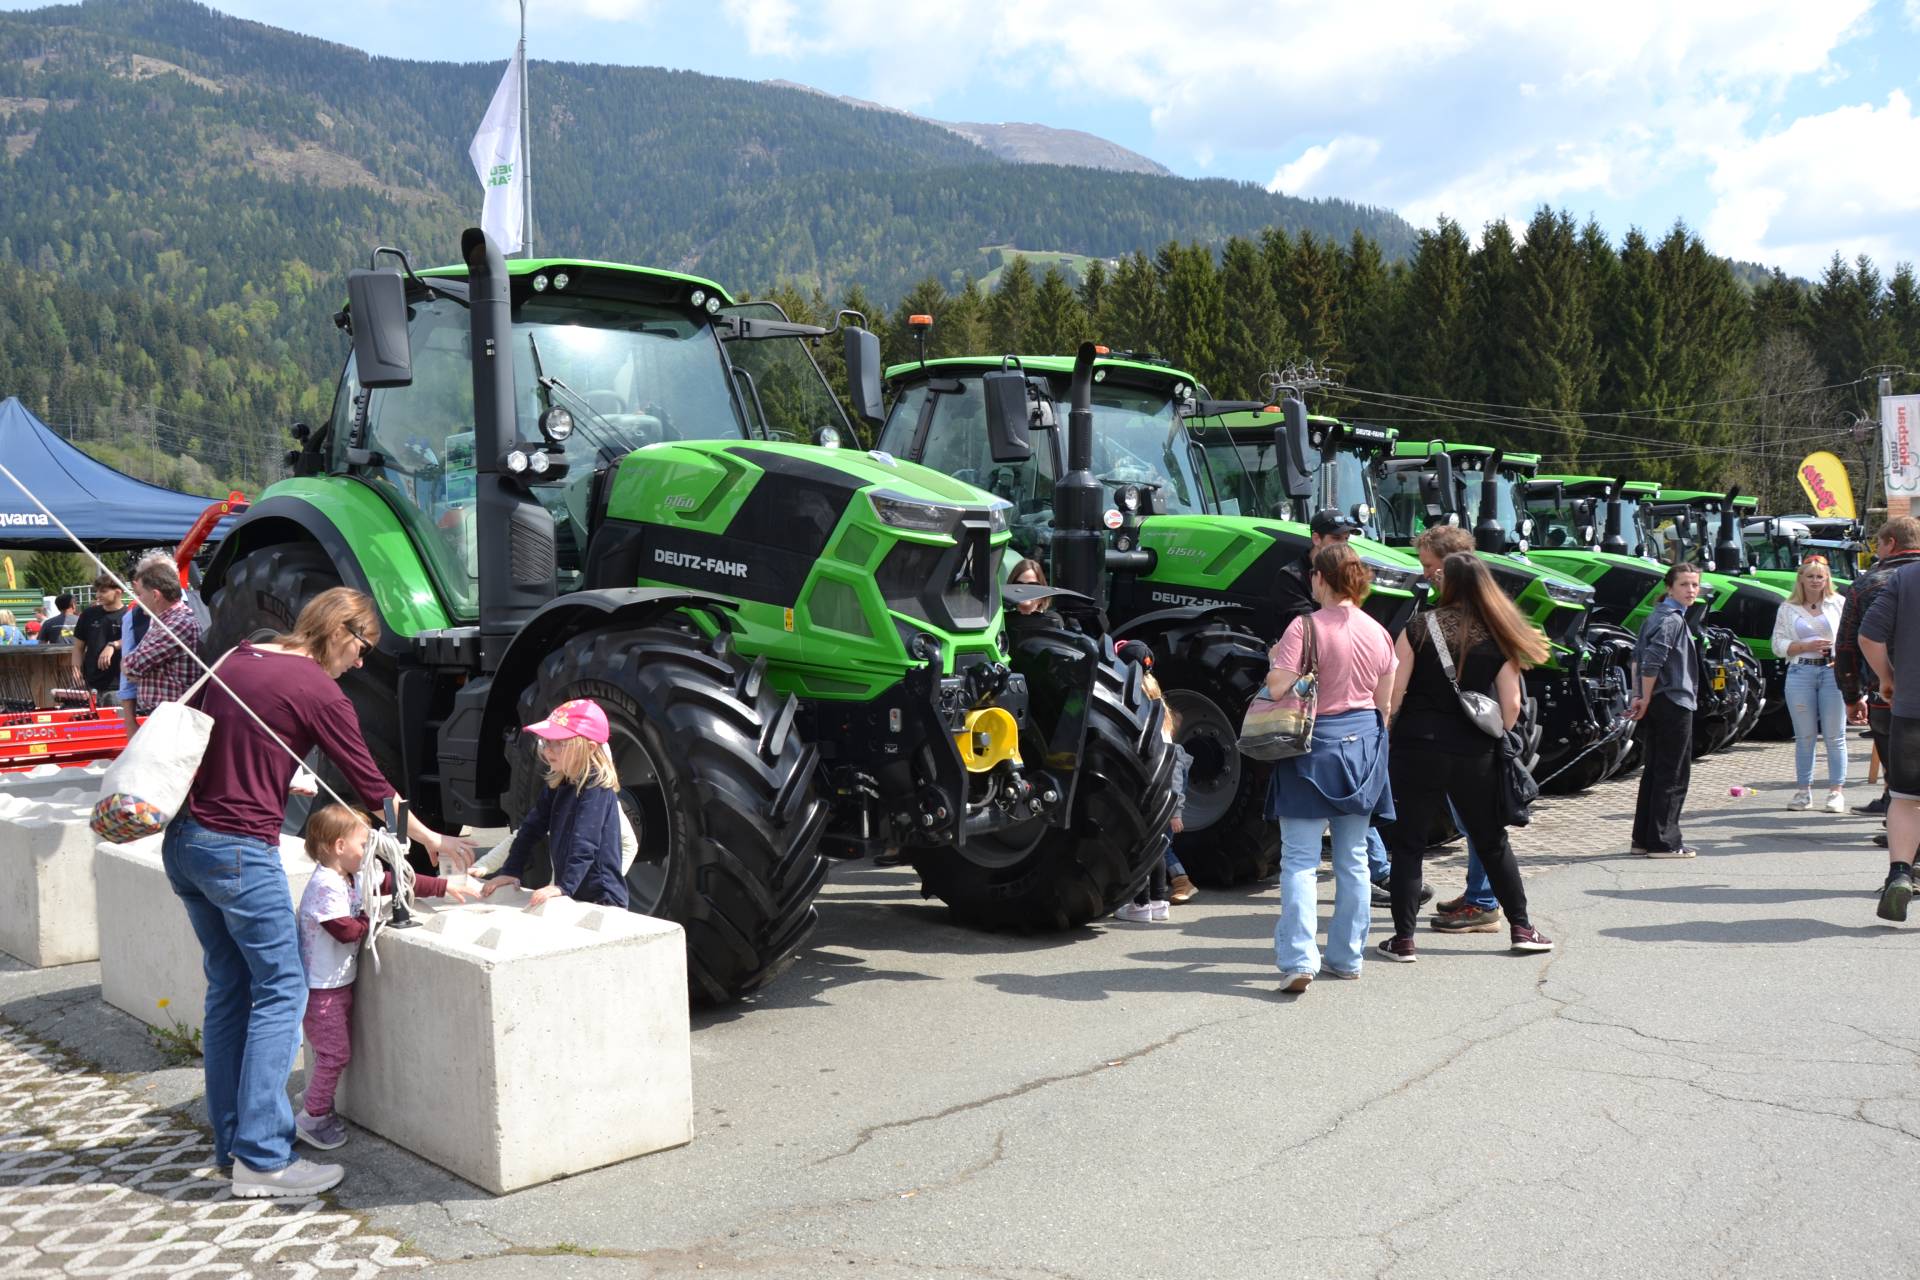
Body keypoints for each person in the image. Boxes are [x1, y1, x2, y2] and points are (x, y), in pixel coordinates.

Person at [163, 587, 473, 1199]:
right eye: (363, 647)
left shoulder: (238, 657)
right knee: (283, 991)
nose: (361, 663)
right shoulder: (319, 691)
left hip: (186, 843)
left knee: (231, 990)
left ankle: (232, 1144)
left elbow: (201, 736)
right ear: (339, 630)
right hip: (237, 851)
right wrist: (431, 838)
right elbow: (372, 785)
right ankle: (263, 1160)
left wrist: (279, 774)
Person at [1380, 552, 1554, 961]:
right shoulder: (1497, 633)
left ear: (1449, 584)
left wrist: (1392, 729)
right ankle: (1522, 928)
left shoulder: (1418, 626)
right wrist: (1495, 738)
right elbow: (1511, 705)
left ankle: (1403, 940)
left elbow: (1396, 693)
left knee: (1408, 845)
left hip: (1417, 745)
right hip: (1475, 749)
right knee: (1491, 841)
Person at [294, 803, 472, 1151]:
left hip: (337, 984)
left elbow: (394, 879)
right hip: (321, 990)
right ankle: (312, 1117)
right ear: (339, 847)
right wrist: (374, 917)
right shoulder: (326, 884)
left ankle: (316, 1096)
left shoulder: (352, 874)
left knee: (331, 1050)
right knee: (334, 1054)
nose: (369, 851)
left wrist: (442, 886)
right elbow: (344, 930)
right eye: (364, 844)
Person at [1266, 543, 1398, 989]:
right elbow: (1385, 706)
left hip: (1311, 745)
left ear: (1320, 579)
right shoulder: (1378, 630)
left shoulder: (1303, 627)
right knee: (1354, 859)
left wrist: (1274, 664)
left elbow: (1280, 685)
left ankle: (1301, 960)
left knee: (1300, 860)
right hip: (1363, 745)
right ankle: (1347, 957)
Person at [482, 699, 629, 908]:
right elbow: (530, 830)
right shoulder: (561, 783)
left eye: (558, 743)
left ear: (589, 747)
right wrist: (511, 871)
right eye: (546, 742)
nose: (548, 751)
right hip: (575, 892)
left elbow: (585, 842)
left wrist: (564, 887)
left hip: (603, 899)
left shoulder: (596, 787)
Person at [1836, 517, 1920, 818]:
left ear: (1891, 543)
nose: (1877, 551)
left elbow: (1848, 645)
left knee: (1902, 784)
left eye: (1879, 545)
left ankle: (1904, 840)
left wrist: (1852, 695)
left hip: (1888, 695)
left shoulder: (1868, 584)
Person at [1857, 559, 1920, 919]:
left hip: (1912, 708)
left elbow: (1868, 635)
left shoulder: (1907, 577)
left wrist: (1887, 677)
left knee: (1906, 799)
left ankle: (1900, 873)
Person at [1627, 563, 1703, 858]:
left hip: (1658, 700)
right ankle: (1664, 841)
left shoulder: (1656, 616)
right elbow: (1650, 660)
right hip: (1673, 701)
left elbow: (1637, 657)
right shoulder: (1671, 619)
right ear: (1669, 588)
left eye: (1695, 585)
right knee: (1673, 773)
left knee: (1655, 771)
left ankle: (1643, 839)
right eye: (1684, 585)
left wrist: (1640, 695)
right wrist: (1642, 696)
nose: (1691, 591)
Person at [1772, 556, 1849, 813]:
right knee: (1804, 736)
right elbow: (1777, 645)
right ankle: (1803, 791)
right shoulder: (1787, 608)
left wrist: (1836, 653)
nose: (1816, 581)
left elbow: (1850, 638)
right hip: (1800, 671)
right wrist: (1804, 646)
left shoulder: (1839, 604)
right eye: (1810, 576)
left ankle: (1836, 791)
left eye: (1820, 576)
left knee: (1834, 735)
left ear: (1827, 579)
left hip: (1831, 673)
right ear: (1801, 579)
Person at [1114, 675, 1192, 922]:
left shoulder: (1143, 718)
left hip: (1148, 790)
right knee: (1157, 849)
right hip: (1163, 792)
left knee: (1139, 849)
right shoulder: (1164, 720)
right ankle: (1158, 902)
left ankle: (1140, 905)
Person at [123, 558, 202, 715]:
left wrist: (138, 671)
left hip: (173, 717)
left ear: (155, 595)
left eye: (140, 594)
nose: (138, 600)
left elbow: (132, 666)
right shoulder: (165, 622)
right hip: (164, 714)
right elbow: (132, 667)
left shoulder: (178, 623)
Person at [1275, 508, 1362, 625]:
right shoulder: (1291, 576)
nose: (1343, 545)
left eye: (1346, 539)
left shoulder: (1344, 572)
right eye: (1336, 538)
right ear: (1316, 539)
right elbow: (1304, 628)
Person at [69, 575, 126, 700]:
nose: (98, 595)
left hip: (118, 686)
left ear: (118, 591)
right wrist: (76, 672)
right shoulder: (88, 614)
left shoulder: (129, 616)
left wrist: (113, 645)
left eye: (103, 591)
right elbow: (78, 648)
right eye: (97, 591)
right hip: (89, 685)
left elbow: (139, 641)